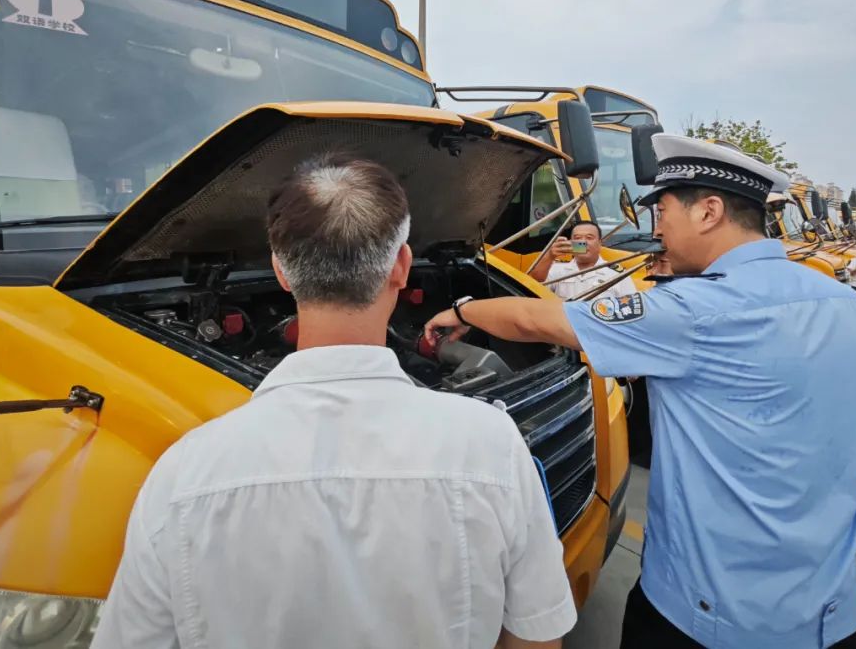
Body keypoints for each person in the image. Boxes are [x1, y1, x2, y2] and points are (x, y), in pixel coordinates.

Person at [425, 135, 856, 649]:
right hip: (834, 618)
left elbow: (537, 318)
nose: (658, 230)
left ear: (709, 211)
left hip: (702, 622)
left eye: (663, 210)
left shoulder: (693, 312)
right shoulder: (850, 307)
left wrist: (461, 310)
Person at [93, 156, 577, 649]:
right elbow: (536, 637)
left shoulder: (183, 476)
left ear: (281, 271)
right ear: (402, 267)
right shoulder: (491, 447)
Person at [530, 220, 638, 301]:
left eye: (589, 238)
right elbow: (534, 283)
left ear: (600, 243)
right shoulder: (558, 269)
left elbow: (630, 307)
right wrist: (549, 256)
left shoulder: (617, 275)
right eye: (577, 238)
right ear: (571, 242)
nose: (583, 242)